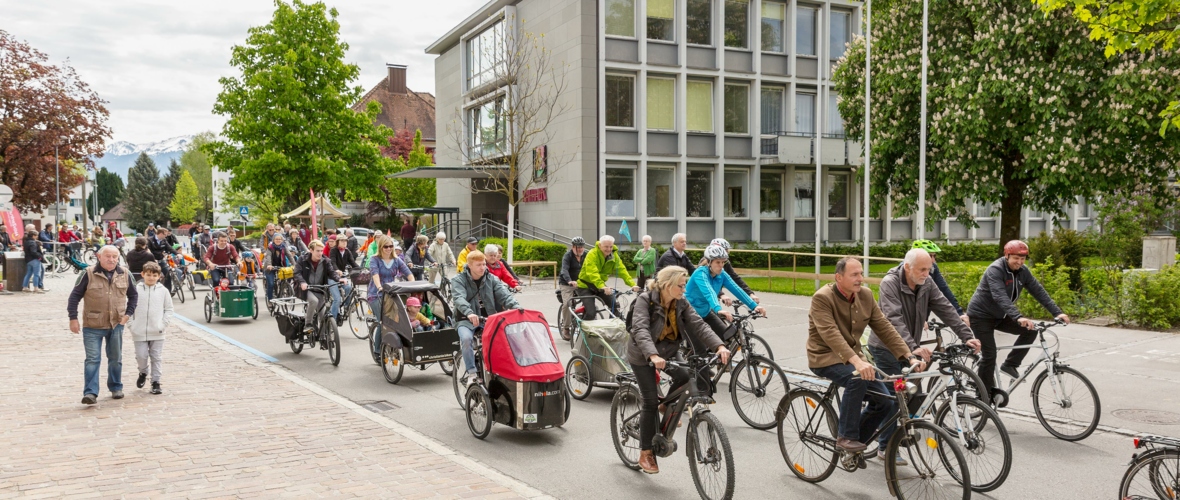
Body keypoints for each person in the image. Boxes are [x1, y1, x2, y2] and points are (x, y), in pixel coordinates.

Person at [867, 248, 980, 464]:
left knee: (910, 395)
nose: (927, 274)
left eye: (929, 269)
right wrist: (911, 347)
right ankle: (885, 447)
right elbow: (893, 319)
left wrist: (967, 336)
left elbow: (945, 308)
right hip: (886, 346)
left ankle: (896, 429)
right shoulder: (890, 283)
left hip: (910, 347)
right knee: (895, 397)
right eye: (922, 269)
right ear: (907, 267)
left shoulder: (926, 282)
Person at [807, 256, 923, 453]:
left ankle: (856, 445)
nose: (860, 278)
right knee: (857, 378)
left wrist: (908, 355)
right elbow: (830, 334)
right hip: (824, 357)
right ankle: (846, 437)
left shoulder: (866, 295)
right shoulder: (823, 297)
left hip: (854, 358)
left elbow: (884, 327)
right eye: (854, 274)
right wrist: (856, 362)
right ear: (838, 277)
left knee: (885, 400)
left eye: (861, 273)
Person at [626, 265, 731, 474]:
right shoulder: (645, 300)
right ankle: (645, 453)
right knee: (649, 402)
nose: (684, 289)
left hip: (668, 349)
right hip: (642, 353)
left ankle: (666, 405)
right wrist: (652, 355)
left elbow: (699, 325)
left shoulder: (681, 303)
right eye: (681, 286)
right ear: (667, 285)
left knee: (684, 376)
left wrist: (719, 346)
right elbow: (640, 328)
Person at [967, 240, 1070, 397]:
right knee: (990, 355)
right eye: (1016, 258)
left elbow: (1038, 291)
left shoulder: (1023, 271)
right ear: (1006, 255)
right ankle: (983, 396)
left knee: (1031, 330)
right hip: (981, 316)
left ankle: (1010, 364)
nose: (1020, 262)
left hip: (1000, 315)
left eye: (1023, 259)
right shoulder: (995, 270)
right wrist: (1018, 317)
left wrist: (1057, 312)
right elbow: (999, 296)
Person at [68, 245, 138, 405]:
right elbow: (74, 297)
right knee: (92, 359)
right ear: (99, 256)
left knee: (115, 358)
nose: (111, 259)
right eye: (108, 256)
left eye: (115, 256)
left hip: (116, 324)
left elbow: (134, 296)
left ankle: (116, 387)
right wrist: (73, 318)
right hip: (92, 325)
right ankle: (90, 393)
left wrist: (128, 315)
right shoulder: (87, 273)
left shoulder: (125, 274)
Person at [450, 250, 521, 386]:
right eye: (478, 265)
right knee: (466, 339)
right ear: (469, 265)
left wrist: (517, 307)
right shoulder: (458, 280)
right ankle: (471, 372)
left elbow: (504, 295)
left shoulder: (491, 278)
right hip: (465, 318)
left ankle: (501, 371)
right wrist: (469, 312)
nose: (482, 267)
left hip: (488, 318)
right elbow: (459, 298)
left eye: (484, 264)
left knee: (505, 340)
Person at [685, 246, 766, 348]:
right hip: (690, 313)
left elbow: (737, 289)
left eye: (723, 262)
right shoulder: (700, 273)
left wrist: (754, 306)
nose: (721, 265)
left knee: (726, 337)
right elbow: (709, 292)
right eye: (717, 262)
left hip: (705, 312)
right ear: (709, 262)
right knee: (700, 351)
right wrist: (718, 309)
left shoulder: (722, 274)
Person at [129, 262, 173, 395]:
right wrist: (131, 325)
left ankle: (156, 382)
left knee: (156, 357)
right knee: (141, 356)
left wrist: (163, 324)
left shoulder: (163, 291)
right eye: (148, 275)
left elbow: (169, 309)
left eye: (154, 275)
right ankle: (143, 372)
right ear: (143, 274)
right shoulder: (135, 289)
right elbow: (128, 308)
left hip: (157, 331)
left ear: (159, 276)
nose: (151, 278)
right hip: (139, 331)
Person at [368, 235, 415, 358]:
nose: (389, 249)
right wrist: (379, 286)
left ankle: (392, 345)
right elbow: (375, 274)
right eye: (386, 246)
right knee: (382, 321)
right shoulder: (375, 259)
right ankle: (377, 350)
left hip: (390, 294)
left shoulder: (396, 260)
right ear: (381, 247)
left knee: (397, 320)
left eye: (391, 246)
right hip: (376, 294)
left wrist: (413, 285)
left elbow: (408, 273)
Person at [575, 236, 640, 319]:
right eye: (606, 247)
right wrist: (602, 286)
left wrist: (632, 284)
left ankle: (611, 328)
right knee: (591, 313)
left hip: (600, 285)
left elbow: (622, 271)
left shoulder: (614, 256)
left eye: (611, 246)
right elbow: (592, 273)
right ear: (599, 245)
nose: (609, 249)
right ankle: (583, 330)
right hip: (585, 286)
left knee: (615, 306)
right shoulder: (592, 254)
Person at [911, 239, 969, 326]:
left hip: (923, 310)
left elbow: (943, 289)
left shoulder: (933, 268)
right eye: (930, 256)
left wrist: (959, 313)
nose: (933, 260)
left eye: (934, 256)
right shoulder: (905, 270)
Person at [293, 239, 347, 321]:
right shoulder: (302, 259)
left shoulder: (326, 261)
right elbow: (297, 273)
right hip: (307, 289)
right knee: (314, 301)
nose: (320, 253)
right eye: (317, 251)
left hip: (319, 289)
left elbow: (331, 272)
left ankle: (322, 334)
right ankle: (308, 324)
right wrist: (302, 282)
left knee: (323, 314)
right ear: (311, 250)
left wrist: (339, 279)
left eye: (321, 251)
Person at [699, 238, 759, 304]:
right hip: (701, 299)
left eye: (727, 250)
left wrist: (750, 294)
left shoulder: (725, 262)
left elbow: (735, 279)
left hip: (714, 298)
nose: (727, 252)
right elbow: (707, 284)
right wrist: (721, 294)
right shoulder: (705, 264)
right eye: (725, 250)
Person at [557, 237, 587, 339]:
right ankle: (566, 328)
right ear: (573, 247)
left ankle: (587, 323)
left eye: (582, 247)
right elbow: (564, 270)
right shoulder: (568, 256)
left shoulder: (586, 255)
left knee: (589, 299)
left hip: (580, 283)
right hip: (567, 283)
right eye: (578, 247)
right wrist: (569, 280)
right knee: (567, 303)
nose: (580, 249)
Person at [262, 234, 292, 302]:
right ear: (273, 240)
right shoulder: (270, 247)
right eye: (276, 239)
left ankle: (283, 291)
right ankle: (270, 300)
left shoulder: (284, 247)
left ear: (282, 240)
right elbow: (268, 257)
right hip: (270, 268)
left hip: (280, 266)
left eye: (279, 239)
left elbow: (289, 255)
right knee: (271, 284)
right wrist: (269, 265)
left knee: (285, 279)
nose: (278, 240)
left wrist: (295, 265)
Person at [21, 224, 45, 293]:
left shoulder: (26, 242)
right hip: (34, 260)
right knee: (36, 274)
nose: (37, 237)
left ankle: (24, 287)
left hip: (28, 260)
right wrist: (40, 256)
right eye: (36, 235)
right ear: (33, 236)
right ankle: (36, 288)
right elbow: (33, 252)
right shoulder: (33, 243)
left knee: (28, 274)